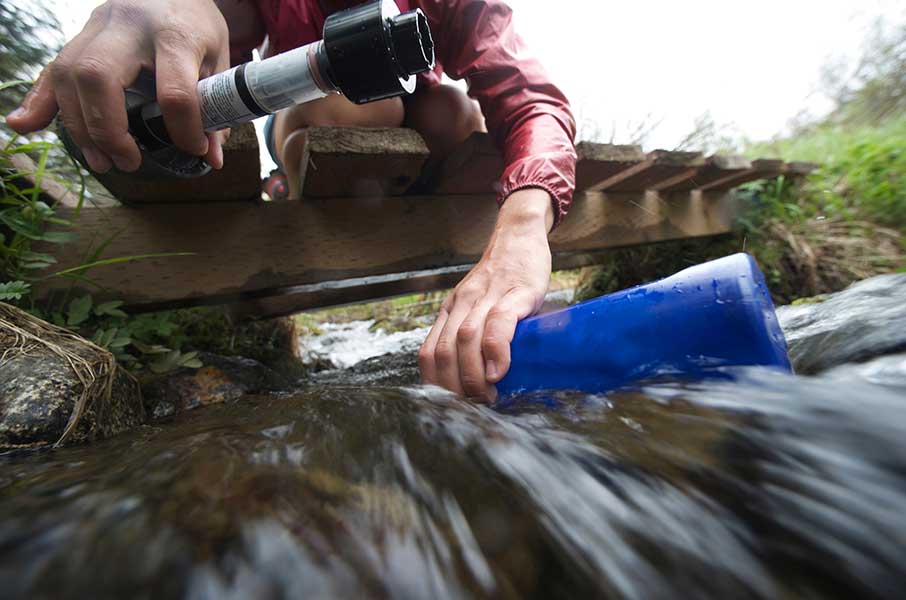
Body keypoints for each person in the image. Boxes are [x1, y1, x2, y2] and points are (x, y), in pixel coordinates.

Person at [6, 0, 577, 401]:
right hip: (315, 115)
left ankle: (416, 187)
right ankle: (297, 179)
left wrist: (525, 221)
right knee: (356, 109)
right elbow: (210, 17)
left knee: (454, 110)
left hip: (426, 135)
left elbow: (531, 99)